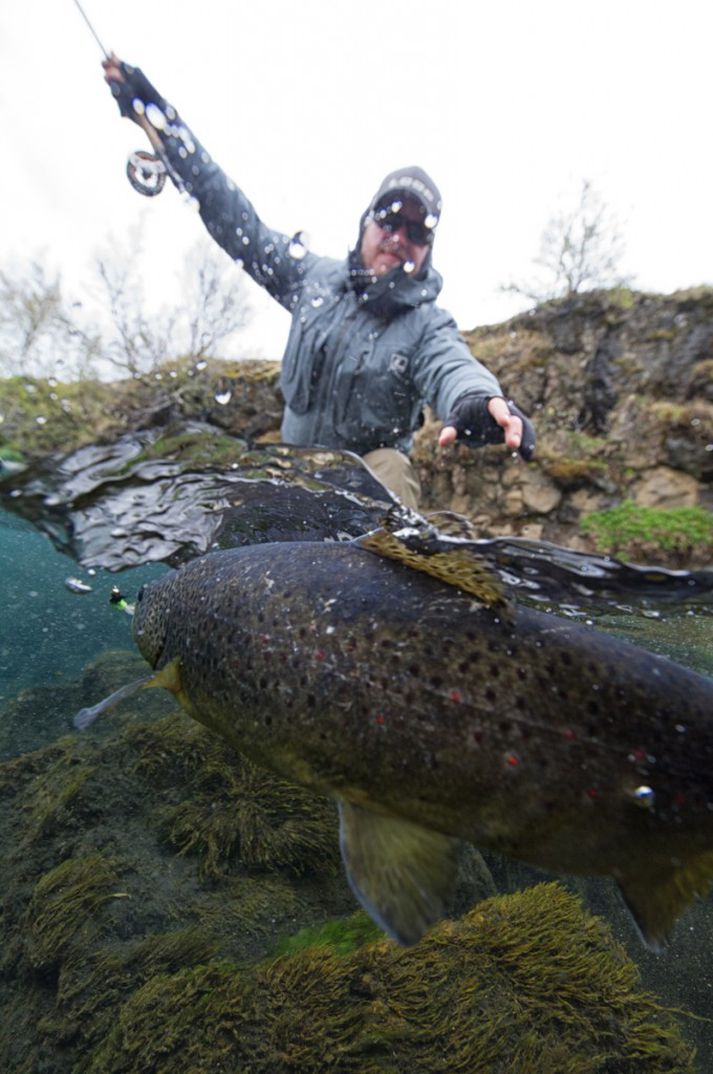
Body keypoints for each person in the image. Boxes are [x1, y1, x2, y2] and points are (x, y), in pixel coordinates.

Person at [102, 57, 535, 508]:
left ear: (429, 248)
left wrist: (475, 399)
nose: (399, 237)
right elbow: (236, 221)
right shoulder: (312, 277)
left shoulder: (428, 325)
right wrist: (166, 128)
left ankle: (371, 572)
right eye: (389, 219)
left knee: (393, 467)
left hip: (362, 493)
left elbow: (453, 368)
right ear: (365, 224)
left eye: (418, 230)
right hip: (289, 473)